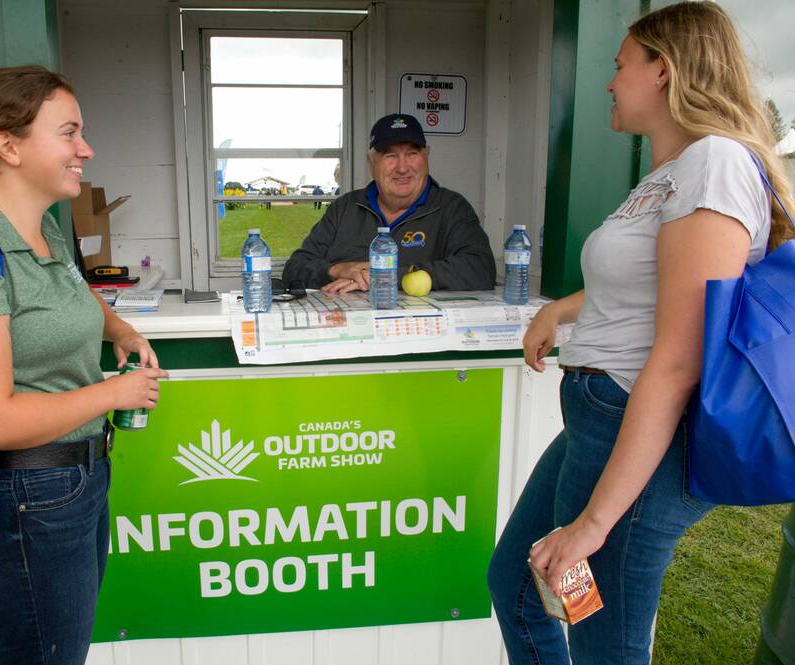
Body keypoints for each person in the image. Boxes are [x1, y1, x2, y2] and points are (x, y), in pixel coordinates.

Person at [486, 3, 795, 663]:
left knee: (600, 640)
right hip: (599, 424)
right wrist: (560, 311)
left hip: (637, 433)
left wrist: (592, 524)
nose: (609, 81)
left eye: (620, 65)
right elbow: (647, 284)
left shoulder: (715, 162)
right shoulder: (668, 175)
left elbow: (680, 359)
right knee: (517, 583)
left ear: (664, 69)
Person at [0, 65, 168, 665]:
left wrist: (117, 326)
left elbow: (72, 289)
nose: (86, 149)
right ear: (8, 144)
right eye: (69, 133)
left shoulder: (40, 227)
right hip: (22, 498)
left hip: (71, 485)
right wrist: (112, 395)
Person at [281, 113, 495, 293]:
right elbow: (295, 268)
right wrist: (337, 270)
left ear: (426, 156)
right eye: (390, 155)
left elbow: (479, 269)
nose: (402, 168)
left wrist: (386, 275)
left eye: (412, 153)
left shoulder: (451, 207)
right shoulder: (345, 207)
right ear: (371, 162)